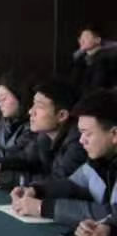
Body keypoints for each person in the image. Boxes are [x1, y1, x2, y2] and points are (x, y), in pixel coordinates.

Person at [11, 90, 117, 227]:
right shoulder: (100, 160)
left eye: (87, 134)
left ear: (114, 134)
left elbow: (113, 214)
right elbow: (73, 184)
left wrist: (43, 207)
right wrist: (36, 190)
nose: (81, 140)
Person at [0, 79, 86, 189]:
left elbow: (57, 181)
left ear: (62, 115)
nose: (31, 111)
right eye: (33, 104)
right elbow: (25, 158)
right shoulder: (44, 136)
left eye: (39, 106)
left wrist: (1, 179)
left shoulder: (79, 142)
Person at [71, 25, 117, 93]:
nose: (82, 40)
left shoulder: (106, 58)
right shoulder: (80, 58)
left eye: (86, 37)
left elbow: (97, 85)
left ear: (97, 40)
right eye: (80, 38)